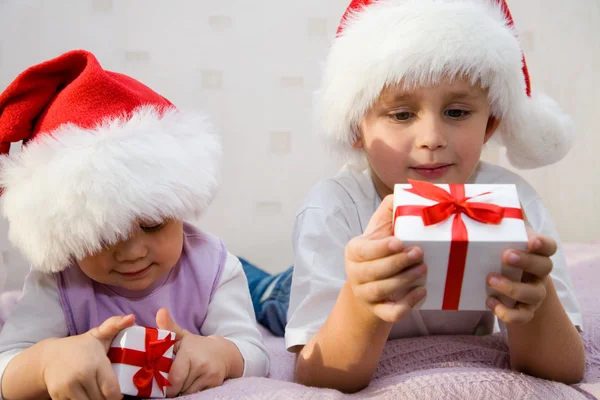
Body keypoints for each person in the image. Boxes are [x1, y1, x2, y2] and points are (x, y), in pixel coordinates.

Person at [244, 0, 585, 392]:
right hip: (312, 285)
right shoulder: (333, 208)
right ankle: (241, 271)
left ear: (489, 124)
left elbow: (565, 367)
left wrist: (535, 306)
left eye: (456, 112)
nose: (432, 140)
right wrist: (359, 302)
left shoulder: (510, 203)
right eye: (401, 115)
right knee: (264, 294)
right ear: (356, 129)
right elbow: (318, 374)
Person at [0, 50, 269, 399]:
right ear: (64, 231)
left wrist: (222, 353)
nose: (132, 252)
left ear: (179, 204)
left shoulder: (212, 266)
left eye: (153, 224)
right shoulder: (60, 282)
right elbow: (6, 365)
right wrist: (46, 362)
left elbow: (256, 353)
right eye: (101, 236)